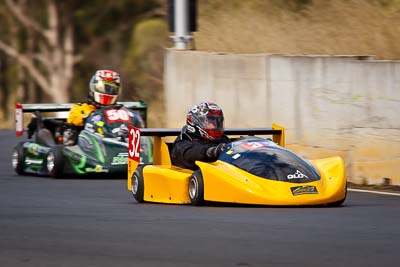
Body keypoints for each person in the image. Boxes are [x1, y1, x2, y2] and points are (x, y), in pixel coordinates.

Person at [63, 70, 122, 145]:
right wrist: (88, 118)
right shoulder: (80, 108)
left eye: (111, 88)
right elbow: (74, 119)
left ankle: (135, 154)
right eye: (103, 87)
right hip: (87, 148)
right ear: (93, 86)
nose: (107, 91)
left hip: (113, 147)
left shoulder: (118, 111)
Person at [170, 101, 230, 170]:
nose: (215, 125)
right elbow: (192, 154)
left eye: (217, 121)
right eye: (210, 121)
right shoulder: (182, 144)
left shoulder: (222, 139)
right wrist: (212, 151)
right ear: (196, 121)